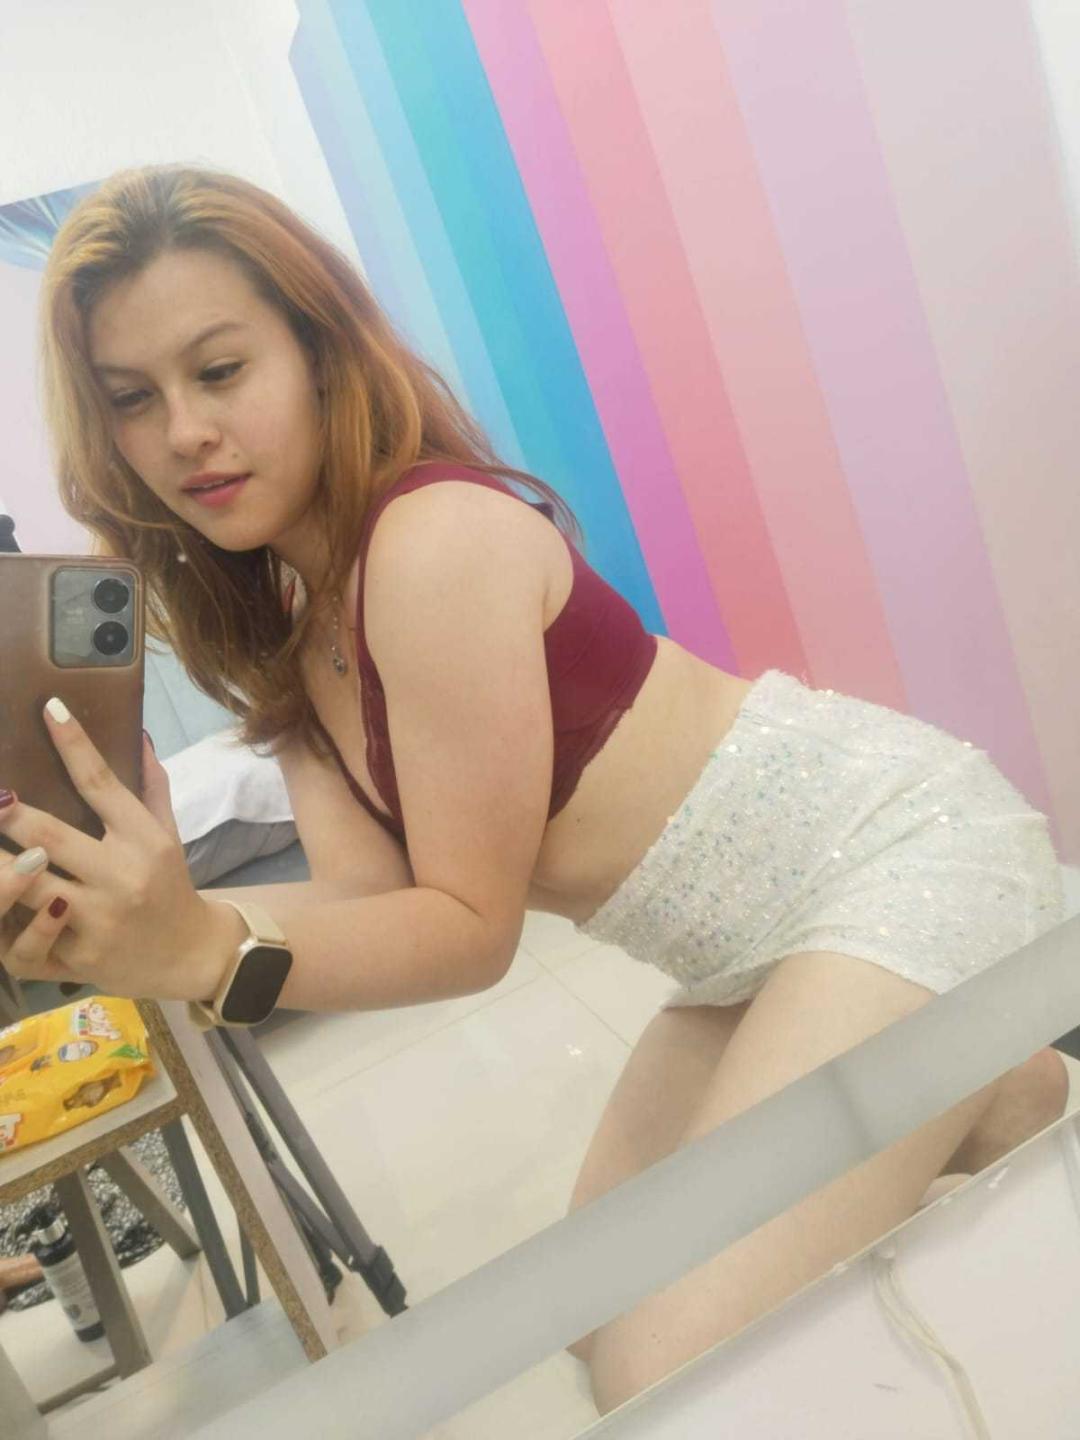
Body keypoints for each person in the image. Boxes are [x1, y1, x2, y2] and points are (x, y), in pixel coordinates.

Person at [0, 165, 1068, 1414]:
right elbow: (370, 905)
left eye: (221, 370)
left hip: (901, 863)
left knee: (666, 1371)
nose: (184, 431)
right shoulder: (292, 618)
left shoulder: (431, 544)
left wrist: (200, 945)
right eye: (133, 398)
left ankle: (961, 1062)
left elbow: (468, 931)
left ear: (321, 355)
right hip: (747, 958)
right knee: (594, 1315)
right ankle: (996, 1091)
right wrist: (161, 914)